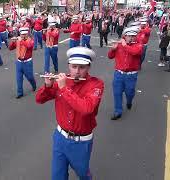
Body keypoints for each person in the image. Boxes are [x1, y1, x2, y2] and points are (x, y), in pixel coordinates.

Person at [36, 46, 104, 180]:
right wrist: (48, 86)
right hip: (60, 138)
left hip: (81, 142)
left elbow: (87, 108)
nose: (77, 72)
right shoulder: (63, 80)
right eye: (74, 67)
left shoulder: (96, 85)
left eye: (82, 67)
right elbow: (39, 99)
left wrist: (64, 88)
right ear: (69, 66)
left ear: (88, 67)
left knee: (83, 174)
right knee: (57, 176)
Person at [108, 26, 142, 120]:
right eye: (129, 36)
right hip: (118, 74)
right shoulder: (120, 45)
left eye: (133, 36)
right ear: (124, 36)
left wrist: (124, 45)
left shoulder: (138, 45)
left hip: (131, 75)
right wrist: (113, 49)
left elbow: (135, 52)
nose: (131, 38)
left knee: (129, 92)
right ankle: (118, 111)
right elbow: (110, 56)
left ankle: (129, 101)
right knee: (117, 93)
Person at [9, 27, 37, 99]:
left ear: (27, 34)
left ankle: (34, 85)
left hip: (27, 63)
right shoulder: (18, 41)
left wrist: (20, 40)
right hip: (19, 62)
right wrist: (13, 42)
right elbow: (10, 48)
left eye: (25, 34)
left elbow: (29, 46)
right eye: (22, 34)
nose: (23, 36)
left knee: (30, 77)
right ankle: (20, 93)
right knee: (19, 78)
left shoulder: (31, 40)